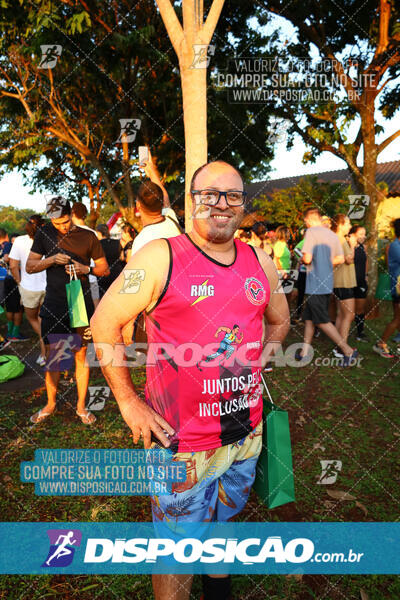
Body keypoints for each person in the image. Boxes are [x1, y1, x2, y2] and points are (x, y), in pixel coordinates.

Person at [91, 160, 290, 600]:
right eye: (209, 194)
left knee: (224, 520)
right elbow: (104, 323)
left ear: (243, 205)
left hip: (245, 433)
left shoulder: (260, 261)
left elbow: (279, 322)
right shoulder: (160, 256)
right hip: (179, 442)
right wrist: (126, 400)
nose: (221, 204)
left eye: (233, 195)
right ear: (191, 201)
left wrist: (255, 364)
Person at [26, 197, 109, 425]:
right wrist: (51, 259)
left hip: (79, 303)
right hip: (54, 304)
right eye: (56, 222)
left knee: (80, 355)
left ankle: (81, 407)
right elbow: (30, 267)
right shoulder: (44, 234)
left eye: (64, 221)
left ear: (71, 214)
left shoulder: (88, 236)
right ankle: (51, 404)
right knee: (55, 356)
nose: (61, 226)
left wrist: (86, 268)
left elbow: (104, 269)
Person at [298, 208, 358, 366]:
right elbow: (339, 258)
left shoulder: (311, 233)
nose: (305, 224)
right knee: (310, 319)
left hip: (314, 284)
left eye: (305, 222)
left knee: (322, 320)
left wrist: (303, 259)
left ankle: (348, 350)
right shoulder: (332, 234)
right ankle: (304, 352)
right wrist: (324, 264)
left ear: (309, 220)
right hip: (326, 283)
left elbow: (308, 258)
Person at [8, 215, 47, 365]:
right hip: (48, 287)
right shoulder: (50, 239)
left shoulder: (19, 241)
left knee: (32, 318)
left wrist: (19, 283)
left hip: (28, 288)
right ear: (42, 226)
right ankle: (46, 352)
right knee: (44, 320)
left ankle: (44, 348)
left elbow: (13, 266)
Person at [130, 180, 182, 256]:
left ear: (138, 205)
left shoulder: (140, 242)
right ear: (162, 202)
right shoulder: (170, 216)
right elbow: (165, 199)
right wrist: (151, 170)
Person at [373, 218, 400, 358]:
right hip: (398, 287)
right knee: (397, 318)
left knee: (398, 318)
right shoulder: (396, 246)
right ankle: (380, 344)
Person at [331, 214, 357, 355]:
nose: (350, 226)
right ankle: (343, 347)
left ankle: (339, 346)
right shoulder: (340, 240)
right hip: (343, 282)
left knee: (342, 314)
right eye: (347, 223)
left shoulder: (337, 239)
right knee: (348, 315)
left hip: (340, 281)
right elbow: (348, 259)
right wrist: (352, 246)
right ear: (340, 225)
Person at [71, 202, 101, 309]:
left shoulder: (70, 233)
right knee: (95, 308)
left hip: (75, 278)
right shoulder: (93, 233)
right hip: (92, 275)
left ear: (72, 213)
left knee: (77, 312)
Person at [0, 229, 27, 345]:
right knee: (18, 308)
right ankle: (15, 334)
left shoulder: (8, 246)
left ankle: (10, 332)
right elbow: (7, 259)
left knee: (11, 307)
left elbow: (5, 260)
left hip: (8, 279)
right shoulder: (12, 247)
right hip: (16, 280)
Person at [348, 225, 369, 341]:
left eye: (364, 234)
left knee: (360, 308)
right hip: (349, 281)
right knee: (347, 311)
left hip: (361, 282)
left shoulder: (364, 247)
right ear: (353, 234)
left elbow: (366, 262)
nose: (364, 236)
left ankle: (360, 333)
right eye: (361, 234)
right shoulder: (347, 247)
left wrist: (366, 276)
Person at [95, 224, 124, 297]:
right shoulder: (117, 242)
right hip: (117, 273)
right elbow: (122, 257)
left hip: (103, 275)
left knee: (104, 298)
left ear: (99, 233)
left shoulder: (97, 245)